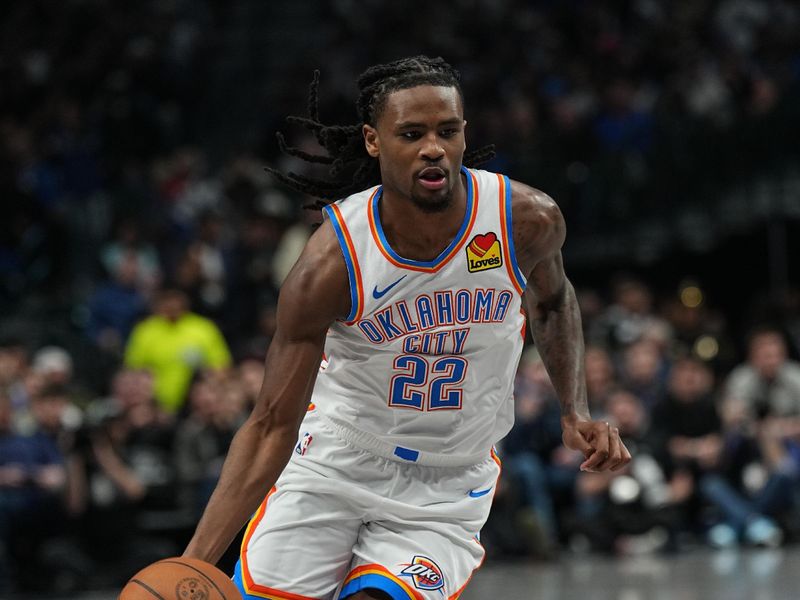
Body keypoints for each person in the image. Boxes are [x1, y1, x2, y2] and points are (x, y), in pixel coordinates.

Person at [184, 56, 631, 599]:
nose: (433, 148)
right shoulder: (333, 261)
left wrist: (573, 408)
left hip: (446, 481)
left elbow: (555, 302)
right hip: (337, 461)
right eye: (411, 134)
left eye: (448, 131)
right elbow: (270, 424)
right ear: (374, 141)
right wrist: (191, 566)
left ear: (465, 133)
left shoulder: (525, 220)